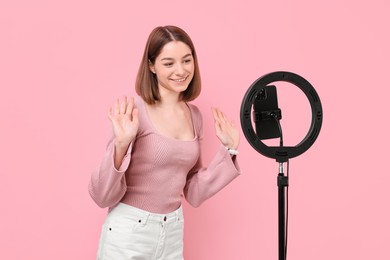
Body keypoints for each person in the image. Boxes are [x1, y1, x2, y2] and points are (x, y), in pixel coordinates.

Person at [89, 25, 241, 260]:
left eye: (186, 60)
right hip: (129, 232)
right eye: (169, 63)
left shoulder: (195, 116)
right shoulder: (134, 113)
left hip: (172, 230)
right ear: (151, 66)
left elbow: (193, 190)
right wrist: (121, 145)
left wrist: (229, 149)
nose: (180, 70)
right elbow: (101, 195)